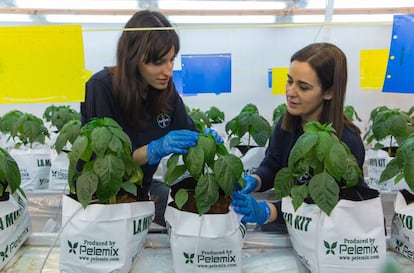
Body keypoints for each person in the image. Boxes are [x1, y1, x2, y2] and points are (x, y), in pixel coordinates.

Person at [81, 10, 221, 227]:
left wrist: (205, 140)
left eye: (171, 60)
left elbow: (188, 131)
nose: (168, 71)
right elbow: (107, 163)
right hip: (102, 197)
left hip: (142, 187)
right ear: (133, 58)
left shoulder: (165, 90)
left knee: (190, 217)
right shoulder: (101, 87)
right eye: (158, 62)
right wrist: (155, 148)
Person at [232, 42, 367, 226]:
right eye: (289, 81)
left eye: (303, 87)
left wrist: (269, 211)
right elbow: (273, 165)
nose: (290, 92)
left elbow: (327, 204)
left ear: (329, 92)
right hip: (289, 227)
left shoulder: (346, 143)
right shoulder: (287, 124)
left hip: (322, 237)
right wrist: (256, 180)